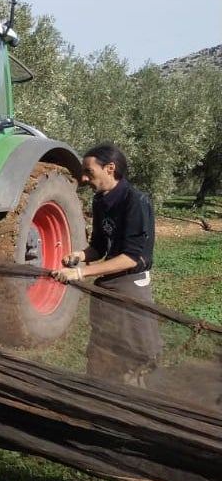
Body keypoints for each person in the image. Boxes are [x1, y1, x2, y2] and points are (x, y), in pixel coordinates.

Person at [50, 143, 160, 385]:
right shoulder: (101, 201)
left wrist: (80, 272)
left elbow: (130, 258)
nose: (84, 177)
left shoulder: (135, 201)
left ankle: (131, 409)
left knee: (130, 357)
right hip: (107, 287)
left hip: (131, 287)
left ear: (110, 168)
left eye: (89, 171)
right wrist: (80, 254)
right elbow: (100, 246)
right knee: (102, 353)